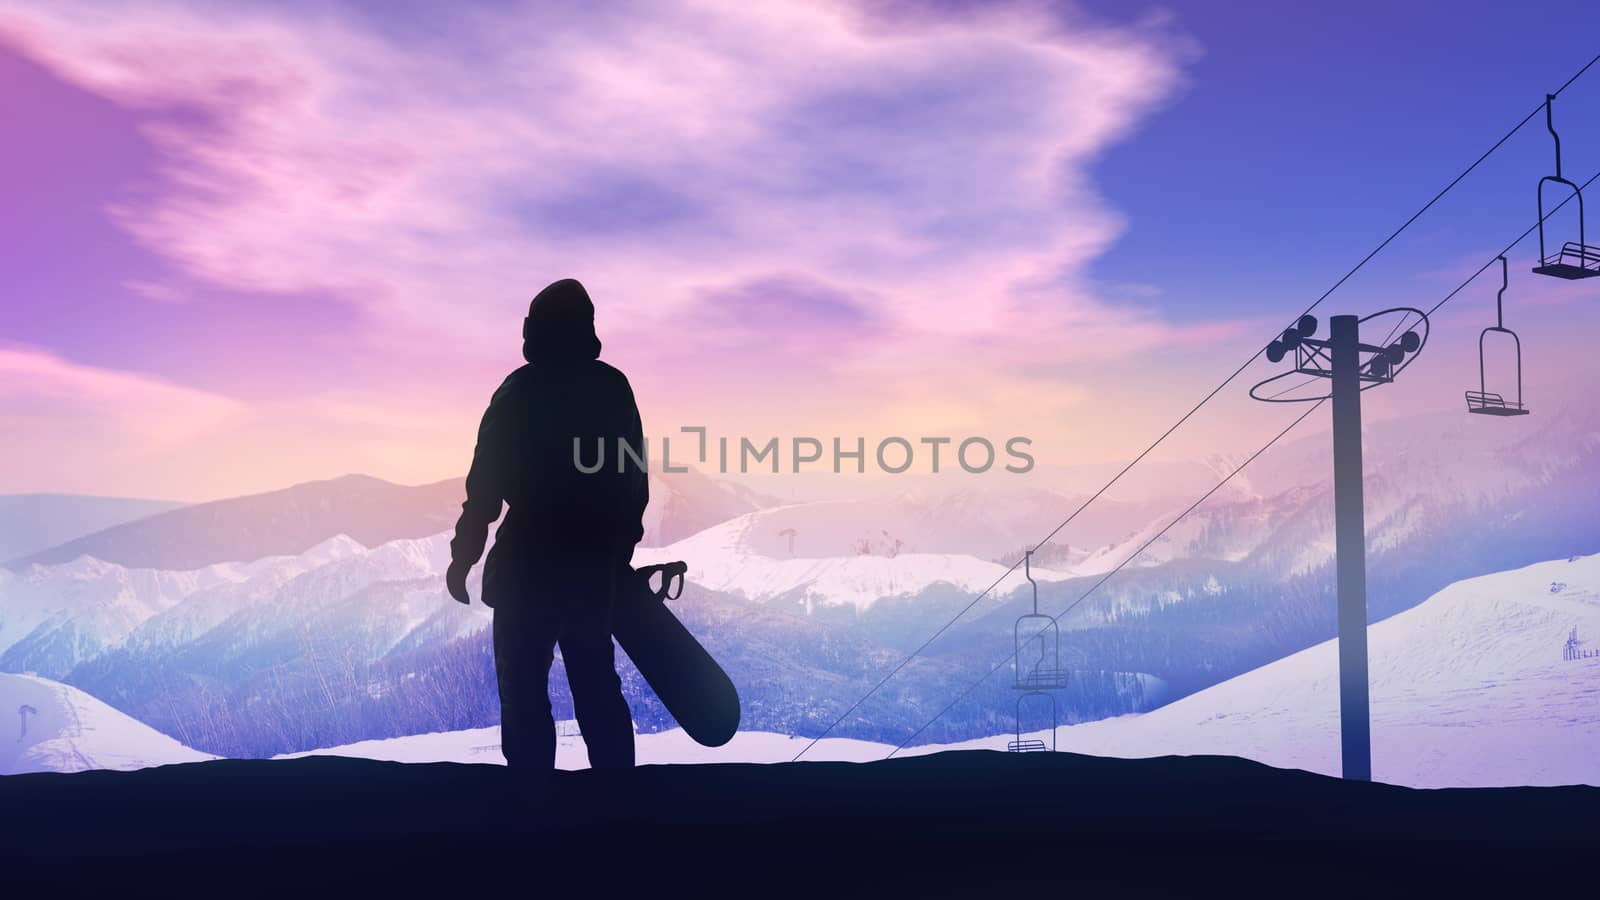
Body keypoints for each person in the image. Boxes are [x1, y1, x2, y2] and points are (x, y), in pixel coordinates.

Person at [445, 278, 649, 771]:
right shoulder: (610, 388)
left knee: (523, 700)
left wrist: (464, 555)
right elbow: (632, 482)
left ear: (533, 330)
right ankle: (621, 809)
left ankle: (530, 814)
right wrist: (615, 555)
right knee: (598, 689)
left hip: (524, 567)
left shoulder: (516, 393)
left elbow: (485, 487)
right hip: (587, 568)